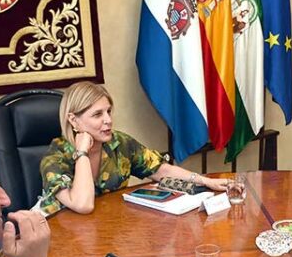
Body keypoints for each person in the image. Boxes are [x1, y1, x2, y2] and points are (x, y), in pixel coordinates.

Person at [39, 81, 228, 215]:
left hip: (108, 228)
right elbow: (83, 205)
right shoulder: (55, 157)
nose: (108, 120)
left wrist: (204, 181)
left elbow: (159, 169)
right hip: (61, 235)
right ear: (73, 120)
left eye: (109, 111)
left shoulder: (119, 143)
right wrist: (81, 153)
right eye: (97, 114)